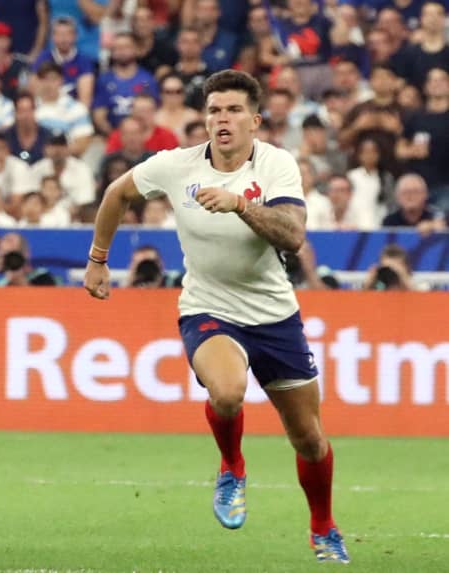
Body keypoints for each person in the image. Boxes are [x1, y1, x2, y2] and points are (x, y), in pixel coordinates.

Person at [83, 70, 350, 564]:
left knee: (309, 438)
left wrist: (240, 206)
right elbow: (116, 194)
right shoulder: (176, 166)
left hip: (274, 315)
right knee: (227, 392)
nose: (221, 120)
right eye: (213, 111)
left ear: (255, 119)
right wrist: (98, 259)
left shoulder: (277, 165)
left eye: (231, 111)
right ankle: (232, 465)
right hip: (208, 307)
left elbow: (292, 236)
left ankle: (323, 526)